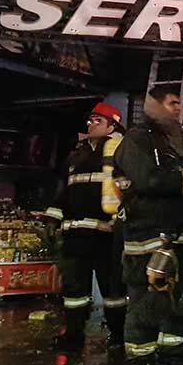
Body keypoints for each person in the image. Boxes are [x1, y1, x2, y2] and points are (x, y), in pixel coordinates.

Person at [114, 85, 183, 365]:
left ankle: (172, 352)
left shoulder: (179, 141)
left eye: (179, 104)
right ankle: (140, 358)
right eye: (172, 103)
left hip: (178, 234)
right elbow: (149, 180)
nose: (178, 109)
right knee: (146, 298)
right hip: (146, 235)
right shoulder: (137, 139)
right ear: (154, 106)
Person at [46, 102, 127, 352]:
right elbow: (64, 191)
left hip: (106, 234)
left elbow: (127, 190)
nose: (90, 124)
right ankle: (73, 334)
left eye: (97, 121)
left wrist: (123, 223)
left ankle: (118, 335)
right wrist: (52, 218)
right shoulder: (75, 155)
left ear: (112, 125)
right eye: (89, 120)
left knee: (113, 290)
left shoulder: (119, 152)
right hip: (75, 234)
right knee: (73, 291)